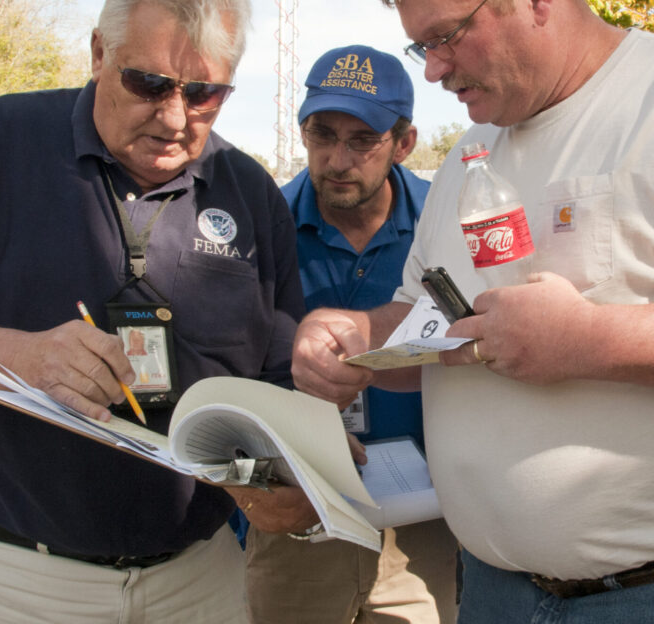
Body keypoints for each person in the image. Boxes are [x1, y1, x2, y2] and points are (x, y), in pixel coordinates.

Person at [291, 1, 654, 622]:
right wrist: (358, 334)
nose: (434, 70)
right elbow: (431, 320)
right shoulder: (473, 151)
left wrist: (589, 339)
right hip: (498, 591)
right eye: (422, 47)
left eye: (447, 36)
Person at [0, 1, 321, 622]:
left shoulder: (251, 192)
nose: (175, 117)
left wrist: (285, 483)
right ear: (99, 54)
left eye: (204, 93)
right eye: (149, 83)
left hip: (197, 581)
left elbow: (277, 387)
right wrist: (24, 361)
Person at [244, 45, 459, 623]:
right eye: (321, 134)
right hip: (300, 521)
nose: (337, 159)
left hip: (426, 529)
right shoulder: (259, 228)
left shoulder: (448, 224)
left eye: (362, 140)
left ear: (404, 142)